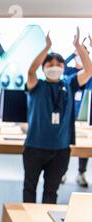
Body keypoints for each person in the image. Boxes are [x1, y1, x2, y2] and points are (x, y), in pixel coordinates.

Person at [23, 28, 92, 204]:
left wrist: (79, 47)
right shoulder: (36, 85)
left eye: (58, 64)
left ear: (64, 67)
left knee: (51, 192)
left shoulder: (69, 84)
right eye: (49, 64)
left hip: (60, 150)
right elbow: (31, 70)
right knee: (29, 188)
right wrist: (47, 48)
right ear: (43, 67)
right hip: (35, 147)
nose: (54, 67)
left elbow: (89, 71)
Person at [63, 36, 92, 188]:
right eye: (79, 54)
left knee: (84, 146)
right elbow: (62, 65)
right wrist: (74, 53)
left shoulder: (89, 75)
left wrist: (89, 49)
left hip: (84, 116)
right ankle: (62, 171)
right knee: (67, 145)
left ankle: (81, 172)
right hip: (69, 114)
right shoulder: (69, 72)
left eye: (84, 54)